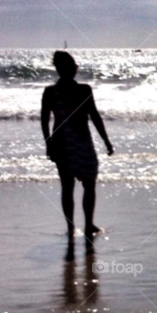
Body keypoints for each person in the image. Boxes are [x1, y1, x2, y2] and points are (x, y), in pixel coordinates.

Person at [41, 51, 113, 240]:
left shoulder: (84, 90)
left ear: (75, 68)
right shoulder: (51, 92)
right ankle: (75, 226)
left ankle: (86, 225)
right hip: (62, 143)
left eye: (72, 66)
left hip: (81, 141)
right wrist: (48, 143)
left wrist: (106, 140)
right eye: (66, 67)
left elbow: (94, 116)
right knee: (71, 186)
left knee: (84, 184)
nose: (70, 70)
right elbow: (44, 119)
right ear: (59, 69)